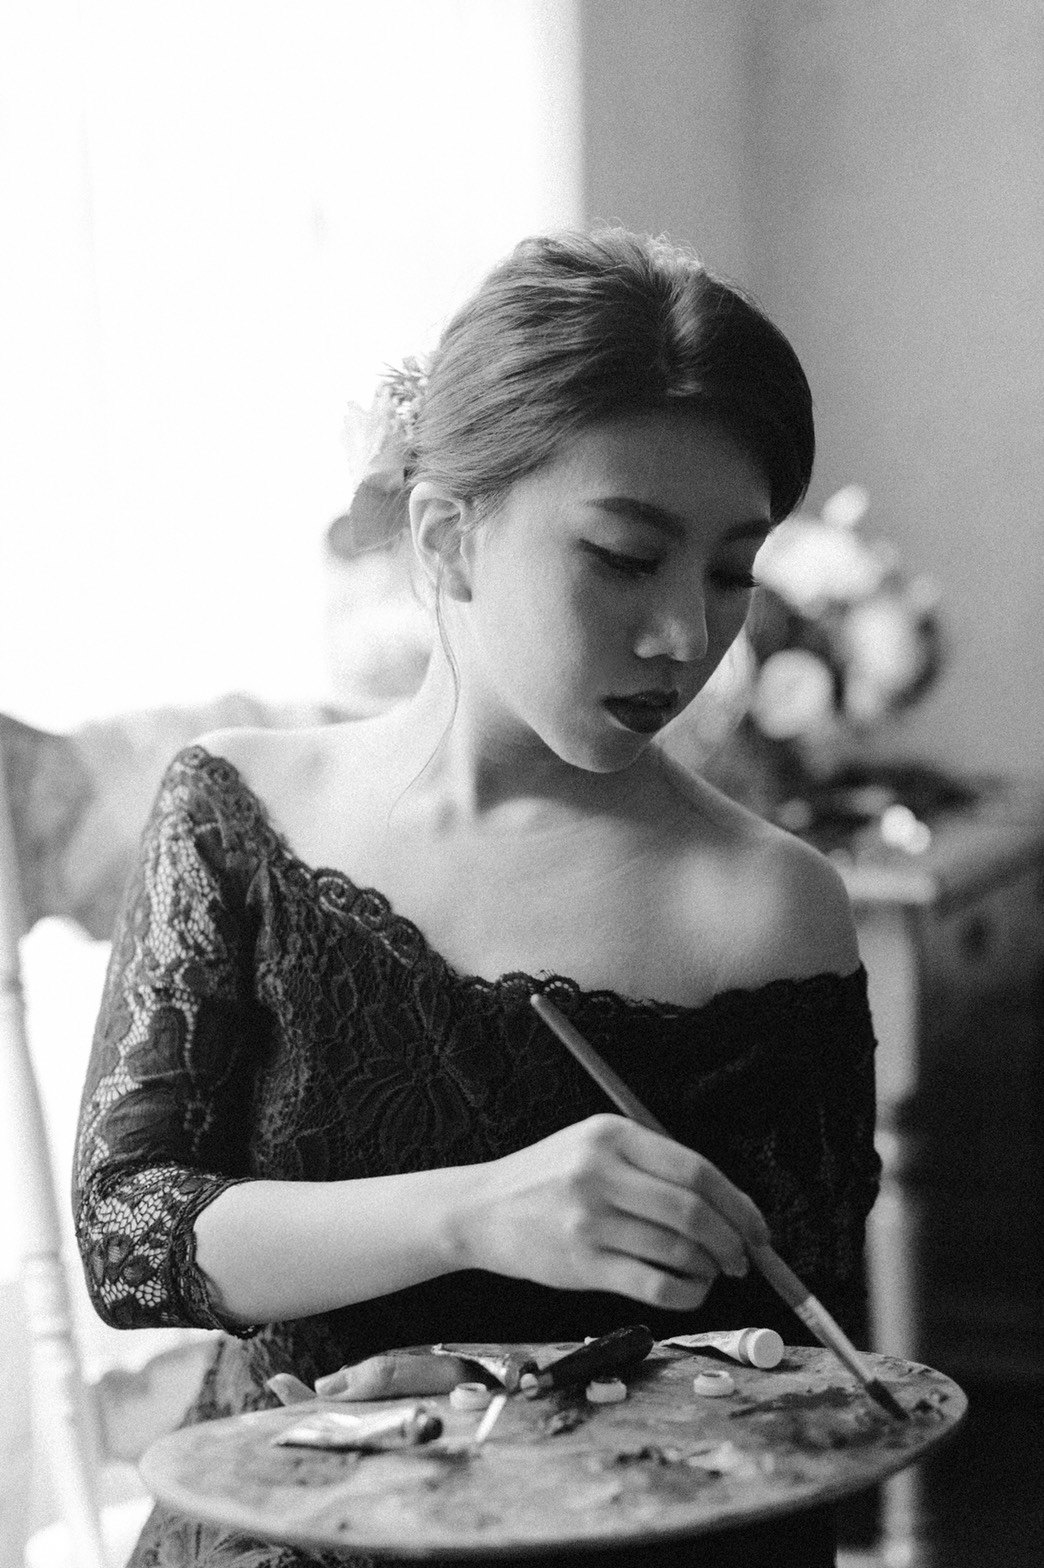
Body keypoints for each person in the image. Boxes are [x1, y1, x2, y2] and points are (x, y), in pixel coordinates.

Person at [74, 229, 880, 1568]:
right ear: (449, 538)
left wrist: (502, 1380)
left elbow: (794, 1386)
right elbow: (131, 1238)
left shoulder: (767, 908)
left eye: (733, 570)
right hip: (280, 1529)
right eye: (625, 554)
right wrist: (479, 1208)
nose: (687, 636)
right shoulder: (237, 813)